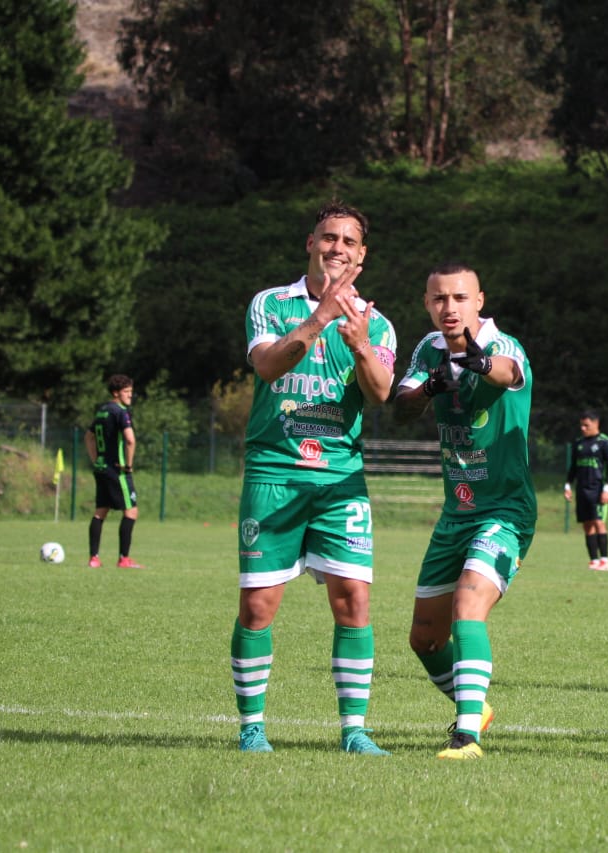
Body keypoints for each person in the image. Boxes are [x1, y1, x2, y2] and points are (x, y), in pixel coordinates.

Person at [230, 201, 397, 755]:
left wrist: (359, 342)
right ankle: (252, 726)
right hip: (274, 472)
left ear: (362, 254)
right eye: (329, 238)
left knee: (354, 599)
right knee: (259, 605)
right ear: (310, 242)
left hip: (339, 480)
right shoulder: (271, 304)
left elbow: (380, 393)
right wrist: (320, 318)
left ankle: (354, 731)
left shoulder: (378, 320)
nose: (338, 249)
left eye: (349, 241)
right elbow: (267, 366)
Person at [396, 261, 536, 761]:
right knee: (425, 640)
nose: (448, 307)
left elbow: (509, 373)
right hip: (456, 512)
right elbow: (402, 403)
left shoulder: (503, 345)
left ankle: (467, 736)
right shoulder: (427, 348)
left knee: (468, 608)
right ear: (427, 303)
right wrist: (433, 383)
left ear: (479, 301)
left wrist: (474, 363)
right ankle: (475, 704)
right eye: (438, 299)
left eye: (459, 298)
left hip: (505, 509)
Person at [83, 374, 142, 569]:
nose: (130, 396)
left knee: (101, 511)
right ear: (116, 393)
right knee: (131, 511)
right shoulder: (121, 412)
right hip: (118, 469)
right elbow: (130, 440)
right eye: (126, 392)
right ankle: (124, 559)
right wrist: (129, 465)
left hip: (101, 468)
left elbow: (88, 437)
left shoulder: (101, 412)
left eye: (131, 392)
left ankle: (94, 558)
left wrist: (95, 460)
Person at [564, 410, 608, 571]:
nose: (583, 428)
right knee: (587, 524)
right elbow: (573, 466)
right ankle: (594, 560)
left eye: (586, 425)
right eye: (581, 425)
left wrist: (607, 489)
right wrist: (568, 485)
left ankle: (605, 561)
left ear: (596, 424)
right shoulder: (579, 443)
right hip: (582, 489)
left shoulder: (604, 442)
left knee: (599, 522)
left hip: (597, 489)